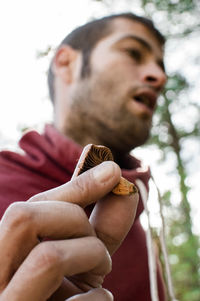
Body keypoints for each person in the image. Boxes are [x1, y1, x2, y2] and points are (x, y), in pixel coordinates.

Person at [0, 12, 167, 300]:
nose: (160, 77)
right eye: (133, 52)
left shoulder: (140, 229)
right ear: (66, 63)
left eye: (161, 66)